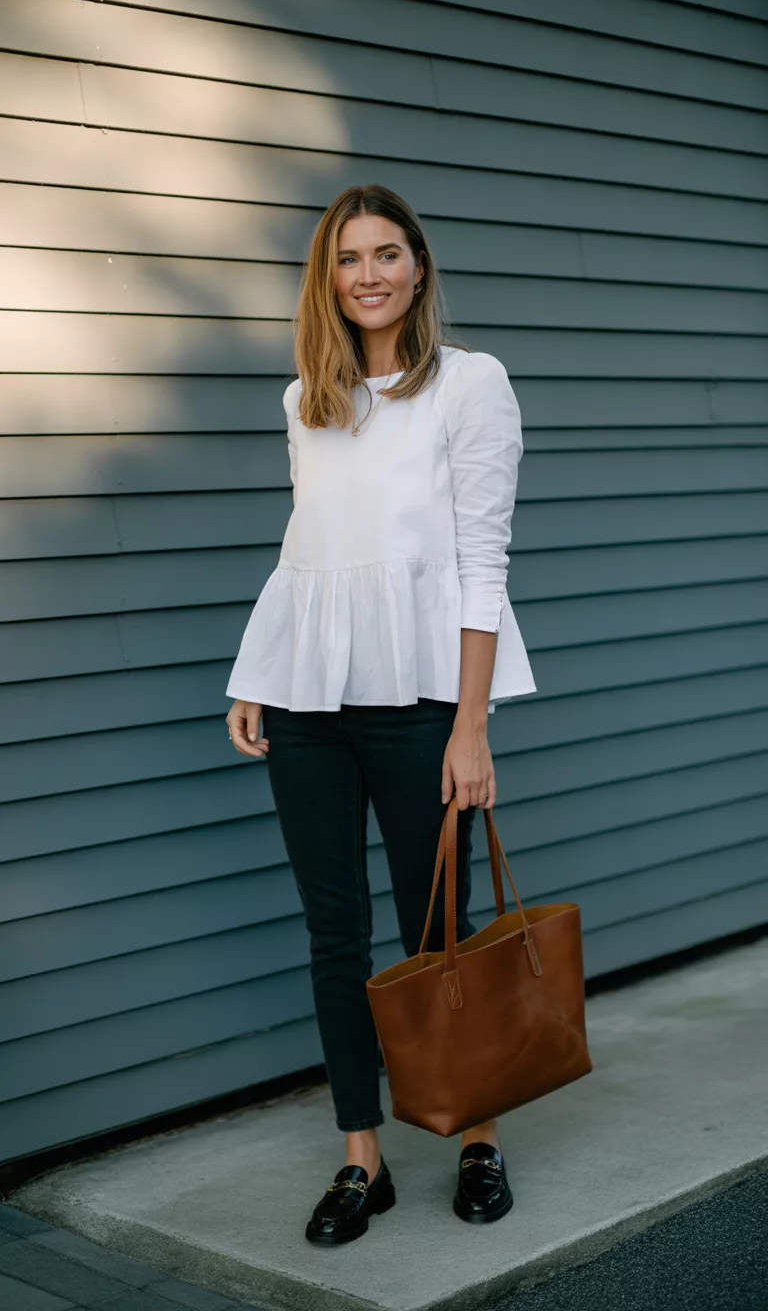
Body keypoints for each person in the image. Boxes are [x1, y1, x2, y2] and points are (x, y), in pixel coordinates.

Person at [225, 184, 537, 1245]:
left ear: (418, 268)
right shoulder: (305, 398)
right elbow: (305, 545)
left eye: (387, 253)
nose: (368, 273)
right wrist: (257, 672)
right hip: (309, 703)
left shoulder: (469, 385)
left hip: (422, 701)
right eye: (348, 257)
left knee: (439, 932)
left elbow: (481, 562)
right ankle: (362, 1157)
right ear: (328, 276)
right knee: (334, 934)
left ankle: (476, 1132)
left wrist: (472, 725)